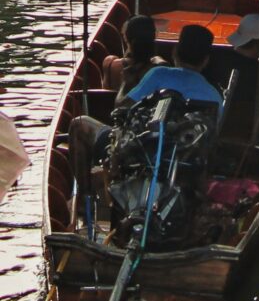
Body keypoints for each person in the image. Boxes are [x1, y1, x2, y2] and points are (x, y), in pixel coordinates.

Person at [69, 24, 222, 194]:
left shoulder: (159, 74)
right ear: (206, 60)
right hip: (185, 165)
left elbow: (120, 108)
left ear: (175, 52)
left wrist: (125, 83)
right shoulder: (214, 95)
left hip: (139, 154)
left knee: (78, 125)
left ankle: (83, 197)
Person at [100, 15, 165, 102]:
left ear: (126, 38)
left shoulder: (110, 64)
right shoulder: (161, 66)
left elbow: (105, 97)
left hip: (117, 112)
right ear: (153, 36)